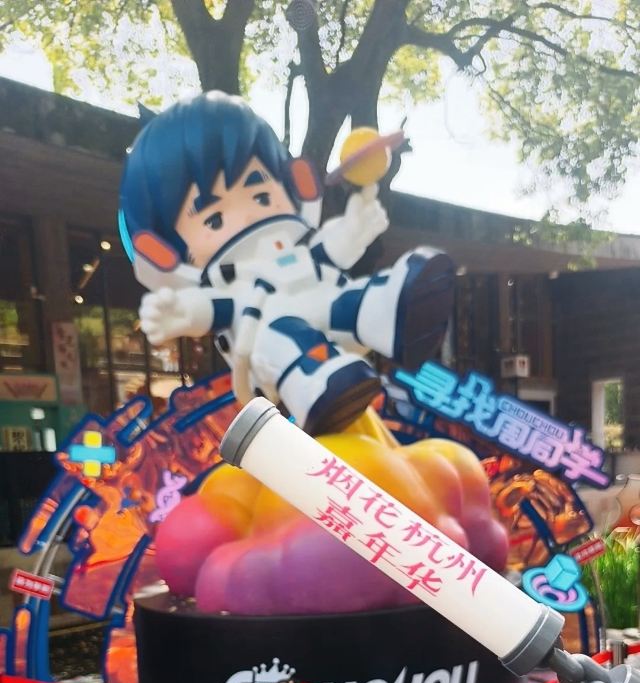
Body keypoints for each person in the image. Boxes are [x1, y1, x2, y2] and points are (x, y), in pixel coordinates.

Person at [119, 91, 454, 435]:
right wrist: (182, 312)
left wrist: (355, 228)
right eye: (214, 219)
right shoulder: (232, 287)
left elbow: (333, 250)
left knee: (355, 298)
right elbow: (208, 308)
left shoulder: (301, 249)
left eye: (262, 195)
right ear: (161, 250)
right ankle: (317, 382)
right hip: (274, 342)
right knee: (285, 337)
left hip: (327, 302)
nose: (249, 215)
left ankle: (391, 311)